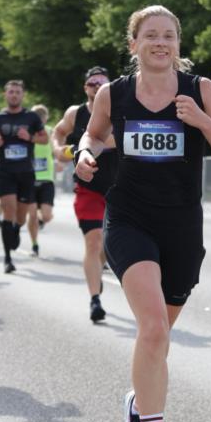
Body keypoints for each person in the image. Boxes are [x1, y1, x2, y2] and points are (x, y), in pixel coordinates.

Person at [75, 6, 211, 422]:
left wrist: (202, 123)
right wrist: (87, 152)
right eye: (150, 35)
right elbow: (93, 132)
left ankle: (136, 405)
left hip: (182, 228)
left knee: (160, 338)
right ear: (133, 44)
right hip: (129, 219)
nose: (160, 42)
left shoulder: (201, 90)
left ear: (178, 43)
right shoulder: (114, 93)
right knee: (152, 331)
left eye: (168, 35)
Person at [52, 67, 118, 322]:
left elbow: (115, 139)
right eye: (92, 82)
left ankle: (97, 273)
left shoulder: (120, 108)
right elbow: (57, 133)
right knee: (93, 241)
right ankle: (95, 300)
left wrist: (86, 145)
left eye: (102, 82)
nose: (96, 86)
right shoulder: (75, 113)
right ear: (86, 88)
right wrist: (60, 150)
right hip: (88, 187)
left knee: (105, 243)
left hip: (119, 187)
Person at [0, 81, 48, 273]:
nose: (14, 95)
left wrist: (30, 138)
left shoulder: (31, 117)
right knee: (8, 209)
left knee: (21, 216)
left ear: (22, 95)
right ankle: (7, 259)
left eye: (17, 92)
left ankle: (16, 228)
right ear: (5, 94)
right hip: (6, 172)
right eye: (11, 92)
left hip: (26, 172)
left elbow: (45, 138)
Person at [27, 104, 55, 257]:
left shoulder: (50, 132)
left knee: (46, 216)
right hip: (29, 180)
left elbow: (56, 149)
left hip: (46, 180)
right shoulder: (26, 134)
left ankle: (41, 220)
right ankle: (34, 245)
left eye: (41, 118)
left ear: (45, 119)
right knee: (31, 216)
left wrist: (61, 162)